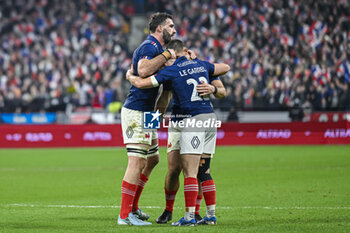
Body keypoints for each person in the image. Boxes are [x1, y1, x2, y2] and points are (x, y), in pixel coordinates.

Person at [126, 39, 230, 226]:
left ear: (174, 54)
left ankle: (193, 215)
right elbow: (163, 101)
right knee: (176, 168)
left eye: (167, 57)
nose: (164, 62)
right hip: (185, 120)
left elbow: (222, 91)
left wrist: (130, 76)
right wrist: (152, 125)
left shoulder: (176, 69)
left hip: (191, 119)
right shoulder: (199, 65)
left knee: (193, 170)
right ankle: (171, 210)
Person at [117, 12, 176, 226]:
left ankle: (133, 207)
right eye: (170, 26)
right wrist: (168, 55)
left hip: (149, 113)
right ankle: (124, 215)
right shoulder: (150, 46)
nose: (174, 30)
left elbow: (136, 73)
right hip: (136, 111)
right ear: (160, 28)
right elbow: (141, 71)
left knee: (153, 159)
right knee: (137, 160)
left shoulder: (157, 50)